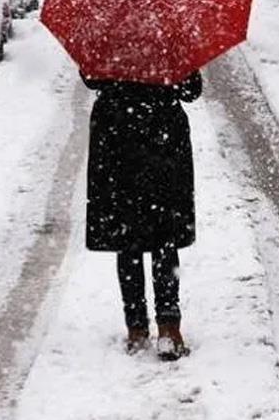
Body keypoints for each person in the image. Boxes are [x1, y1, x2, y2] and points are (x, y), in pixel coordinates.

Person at [82, 71, 202, 361]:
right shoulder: (171, 33)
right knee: (164, 237)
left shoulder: (108, 32)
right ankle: (169, 328)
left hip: (117, 138)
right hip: (163, 138)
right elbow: (190, 90)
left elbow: (91, 78)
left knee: (128, 239)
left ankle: (136, 328)